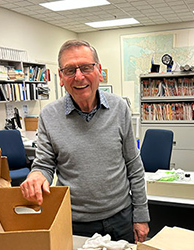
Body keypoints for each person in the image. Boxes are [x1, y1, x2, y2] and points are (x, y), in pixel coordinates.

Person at [21, 39, 150, 243]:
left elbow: (134, 166)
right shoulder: (49, 115)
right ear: (61, 78)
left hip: (121, 216)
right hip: (77, 222)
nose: (79, 76)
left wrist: (141, 216)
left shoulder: (119, 108)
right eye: (70, 70)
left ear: (98, 70)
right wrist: (37, 175)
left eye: (86, 67)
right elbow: (45, 164)